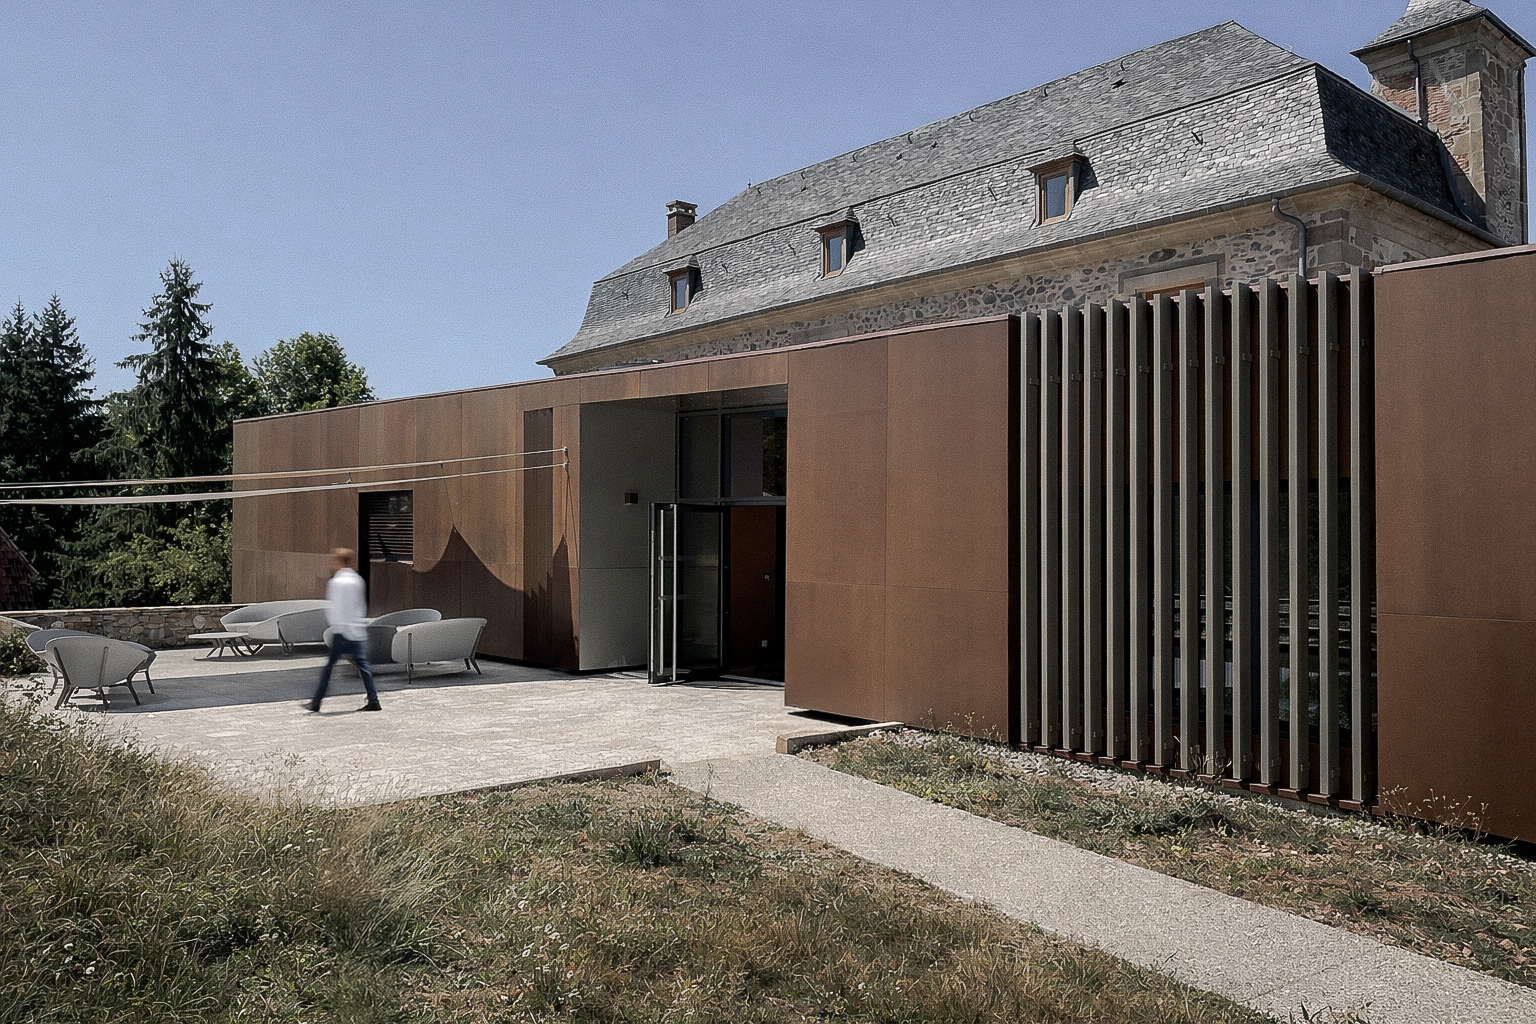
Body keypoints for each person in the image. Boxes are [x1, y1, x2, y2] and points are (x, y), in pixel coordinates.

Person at [308, 548, 380, 712]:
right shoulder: (357, 580)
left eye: (334, 560)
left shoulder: (336, 582)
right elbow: (360, 605)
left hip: (341, 631)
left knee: (329, 667)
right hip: (356, 630)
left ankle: (316, 702)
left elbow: (335, 607)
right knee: (363, 667)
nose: (331, 563)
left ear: (339, 561)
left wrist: (336, 626)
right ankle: (373, 699)